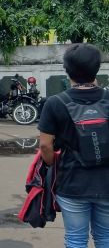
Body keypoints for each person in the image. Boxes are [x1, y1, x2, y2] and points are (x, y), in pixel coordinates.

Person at [39, 43, 109, 248]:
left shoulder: (55, 103)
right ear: (97, 68)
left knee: (76, 239)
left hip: (72, 182)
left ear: (67, 70)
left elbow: (45, 146)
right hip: (107, 182)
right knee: (105, 238)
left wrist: (53, 163)